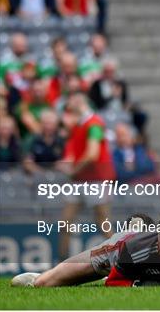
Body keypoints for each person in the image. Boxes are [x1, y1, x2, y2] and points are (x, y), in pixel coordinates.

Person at [10, 206, 160, 287]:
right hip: (117, 251)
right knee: (46, 284)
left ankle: (140, 226)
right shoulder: (134, 247)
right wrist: (140, 285)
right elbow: (115, 284)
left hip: (137, 256)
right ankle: (37, 277)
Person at [56, 92, 116, 261]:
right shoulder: (79, 126)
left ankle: (120, 261)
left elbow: (92, 154)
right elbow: (75, 151)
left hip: (96, 179)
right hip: (80, 180)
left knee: (103, 222)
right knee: (65, 222)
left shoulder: (94, 124)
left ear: (78, 103)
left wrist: (73, 170)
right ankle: (61, 265)